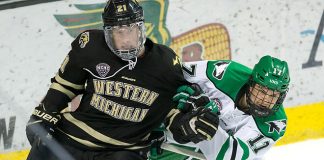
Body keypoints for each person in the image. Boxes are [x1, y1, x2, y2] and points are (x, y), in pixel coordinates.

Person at [25, 0, 219, 159]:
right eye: (119, 32)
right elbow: (65, 85)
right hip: (70, 138)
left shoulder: (165, 64)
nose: (126, 39)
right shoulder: (90, 46)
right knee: (43, 149)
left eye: (131, 30)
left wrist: (190, 125)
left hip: (121, 152)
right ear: (108, 33)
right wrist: (45, 111)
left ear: (141, 29)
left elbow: (171, 116)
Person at [153, 55, 290, 160]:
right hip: (188, 142)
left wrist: (199, 118)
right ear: (251, 83)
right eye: (262, 91)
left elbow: (229, 156)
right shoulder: (225, 73)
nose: (265, 100)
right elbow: (173, 75)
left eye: (274, 95)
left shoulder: (275, 124)